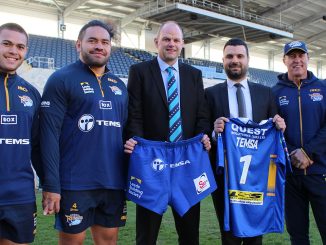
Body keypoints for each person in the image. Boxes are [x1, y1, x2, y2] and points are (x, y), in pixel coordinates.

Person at [40, 20, 128, 245]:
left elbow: (125, 134)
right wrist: (51, 184)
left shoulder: (119, 85)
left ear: (110, 48)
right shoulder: (61, 79)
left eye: (104, 42)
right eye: (92, 41)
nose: (99, 46)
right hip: (74, 184)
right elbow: (48, 134)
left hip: (112, 183)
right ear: (78, 45)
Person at [124, 21, 211, 245]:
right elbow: (135, 115)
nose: (171, 44)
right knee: (146, 234)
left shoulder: (194, 74)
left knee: (190, 234)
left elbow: (202, 114)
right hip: (153, 164)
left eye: (176, 40)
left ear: (182, 44)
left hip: (186, 164)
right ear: (157, 42)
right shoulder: (140, 71)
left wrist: (202, 137)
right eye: (166, 39)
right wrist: (138, 146)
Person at [205, 38, 286, 245]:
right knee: (229, 236)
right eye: (230, 56)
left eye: (239, 56)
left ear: (247, 60)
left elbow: (274, 132)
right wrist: (215, 133)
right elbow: (203, 132)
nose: (235, 60)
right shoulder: (210, 94)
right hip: (225, 176)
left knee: (254, 235)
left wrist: (279, 125)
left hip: (257, 176)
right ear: (222, 60)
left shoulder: (265, 93)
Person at [272, 40, 326, 245]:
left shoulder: (323, 88)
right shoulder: (274, 92)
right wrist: (294, 153)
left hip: (320, 173)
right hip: (290, 176)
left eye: (300, 55)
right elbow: (273, 131)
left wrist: (308, 152)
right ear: (284, 60)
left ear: (308, 58)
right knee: (298, 235)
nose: (297, 60)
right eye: (292, 56)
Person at [0, 23, 42, 244]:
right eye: (6, 44)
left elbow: (37, 145)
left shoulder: (32, 93)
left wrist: (49, 184)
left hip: (20, 195)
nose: (13, 51)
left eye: (20, 46)